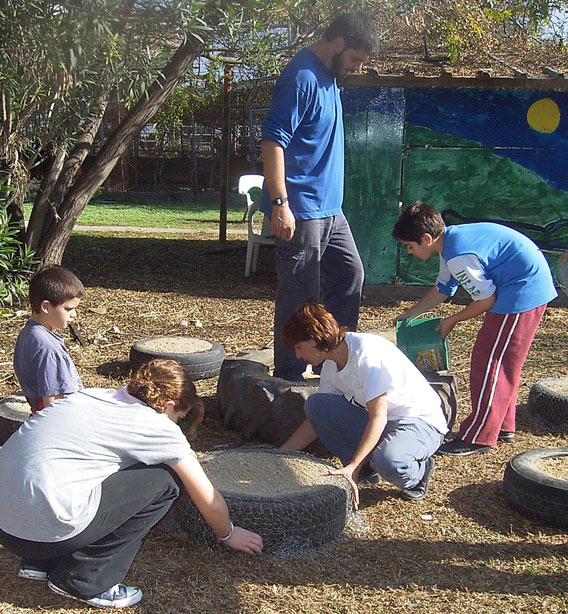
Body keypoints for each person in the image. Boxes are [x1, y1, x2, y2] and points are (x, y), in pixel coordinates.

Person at [0, 359, 263, 609]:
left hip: (8, 528)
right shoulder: (157, 427)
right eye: (178, 417)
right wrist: (229, 534)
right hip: (46, 535)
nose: (176, 423)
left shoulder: (89, 396)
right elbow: (210, 501)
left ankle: (39, 563)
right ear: (168, 405)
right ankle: (85, 579)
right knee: (167, 480)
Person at [260, 12, 380, 381]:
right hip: (301, 210)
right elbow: (273, 140)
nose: (358, 68)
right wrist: (280, 204)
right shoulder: (302, 77)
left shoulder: (329, 76)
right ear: (338, 43)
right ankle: (290, 374)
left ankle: (335, 360)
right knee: (300, 295)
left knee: (349, 275)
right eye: (356, 58)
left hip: (330, 210)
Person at [392, 201, 557, 456]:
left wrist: (452, 320)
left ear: (426, 239)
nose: (410, 252)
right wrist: (410, 314)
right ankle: (502, 425)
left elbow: (485, 300)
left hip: (523, 291)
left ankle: (478, 437)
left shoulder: (458, 255)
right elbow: (443, 288)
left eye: (409, 246)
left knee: (491, 362)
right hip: (520, 285)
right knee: (501, 360)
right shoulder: (448, 244)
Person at [280, 302, 448, 507]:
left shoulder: (366, 355)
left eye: (299, 347)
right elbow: (318, 419)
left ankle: (417, 473)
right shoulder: (331, 363)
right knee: (317, 405)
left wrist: (353, 466)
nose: (298, 355)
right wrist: (282, 453)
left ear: (315, 339)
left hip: (418, 420)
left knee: (389, 461)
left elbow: (379, 417)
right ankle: (367, 469)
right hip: (382, 420)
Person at [13, 265, 84, 414]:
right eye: (68, 309)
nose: (74, 314)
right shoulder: (48, 348)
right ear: (45, 307)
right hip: (62, 419)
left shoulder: (28, 333)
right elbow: (53, 406)